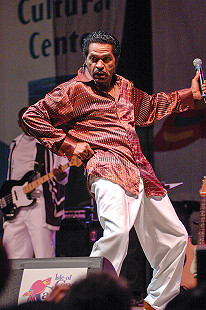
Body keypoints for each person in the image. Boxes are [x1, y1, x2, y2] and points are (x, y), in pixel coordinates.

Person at [22, 31, 206, 310]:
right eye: (93, 59)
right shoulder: (72, 90)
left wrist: (190, 95)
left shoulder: (126, 88)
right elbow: (31, 116)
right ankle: (90, 303)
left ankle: (154, 304)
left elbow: (150, 108)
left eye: (105, 59)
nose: (99, 65)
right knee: (117, 232)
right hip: (106, 166)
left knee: (176, 239)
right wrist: (69, 144)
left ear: (114, 61)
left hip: (140, 170)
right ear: (85, 60)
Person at [2, 107, 69, 259]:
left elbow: (62, 176)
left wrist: (60, 176)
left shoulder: (50, 142)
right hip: (15, 206)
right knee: (11, 254)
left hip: (40, 204)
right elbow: (10, 176)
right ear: (19, 123)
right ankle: (13, 283)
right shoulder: (15, 143)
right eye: (25, 121)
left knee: (43, 253)